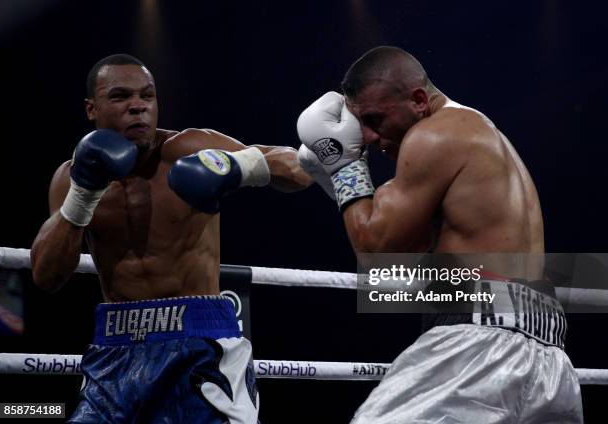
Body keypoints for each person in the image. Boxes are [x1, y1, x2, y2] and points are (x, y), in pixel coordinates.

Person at [297, 46, 583, 423]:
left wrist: (344, 167)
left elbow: (376, 256)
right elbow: (407, 259)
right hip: (549, 355)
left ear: (418, 99)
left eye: (374, 119)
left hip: (480, 347)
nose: (366, 136)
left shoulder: (433, 136)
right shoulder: (476, 130)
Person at [30, 53, 311, 423]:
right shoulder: (71, 178)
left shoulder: (188, 148)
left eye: (147, 96)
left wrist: (238, 166)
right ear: (91, 109)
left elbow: (300, 168)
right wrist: (83, 195)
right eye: (120, 97)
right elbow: (46, 276)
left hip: (201, 342)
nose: (138, 107)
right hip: (116, 348)